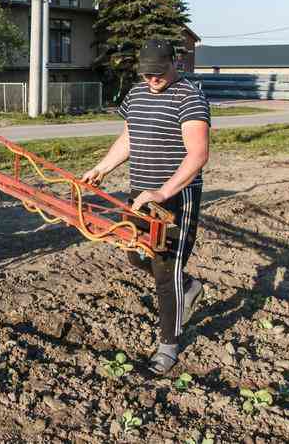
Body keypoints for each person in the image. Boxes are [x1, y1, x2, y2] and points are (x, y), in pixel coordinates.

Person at [82, 39, 210, 375]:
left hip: (175, 199)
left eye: (158, 73)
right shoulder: (137, 93)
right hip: (141, 194)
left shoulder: (189, 96)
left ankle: (169, 344)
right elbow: (129, 137)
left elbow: (198, 154)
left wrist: (162, 192)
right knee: (135, 253)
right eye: (147, 74)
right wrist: (102, 168)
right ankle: (190, 286)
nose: (152, 80)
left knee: (165, 272)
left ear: (174, 63)